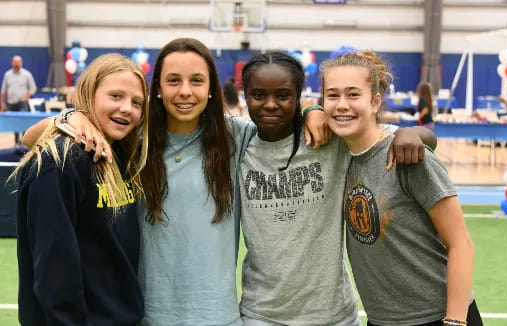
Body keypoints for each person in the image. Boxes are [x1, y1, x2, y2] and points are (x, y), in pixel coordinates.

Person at [21, 38, 328, 326]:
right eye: (173, 81)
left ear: (211, 89)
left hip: (219, 316)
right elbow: (29, 138)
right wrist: (72, 117)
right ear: (157, 89)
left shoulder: (236, 137)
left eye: (196, 80)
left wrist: (312, 110)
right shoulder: (134, 139)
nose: (185, 91)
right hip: (148, 315)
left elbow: (278, 108)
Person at [238, 51, 437, 325]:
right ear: (245, 95)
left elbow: (420, 137)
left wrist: (410, 133)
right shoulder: (239, 149)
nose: (270, 104)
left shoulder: (330, 139)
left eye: (283, 95)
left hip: (334, 316)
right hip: (261, 315)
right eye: (258, 95)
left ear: (299, 97)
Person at [321, 51, 482, 326]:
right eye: (332, 96)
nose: (342, 105)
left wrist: (455, 320)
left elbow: (461, 244)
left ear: (375, 102)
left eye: (353, 95)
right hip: (382, 320)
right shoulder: (336, 157)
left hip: (438, 317)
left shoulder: (409, 157)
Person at [10, 53, 149, 325]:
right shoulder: (59, 162)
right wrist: (70, 115)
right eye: (116, 96)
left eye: (136, 103)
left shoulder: (120, 155)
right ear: (89, 94)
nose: (127, 109)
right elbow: (54, 270)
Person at [1, 55, 37, 145]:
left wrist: (27, 96)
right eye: (15, 62)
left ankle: (24, 141)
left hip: (22, 103)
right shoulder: (7, 74)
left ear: (21, 63)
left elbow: (33, 88)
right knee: (14, 123)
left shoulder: (27, 74)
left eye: (19, 61)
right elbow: (3, 90)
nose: (17, 63)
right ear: (12, 63)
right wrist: (2, 103)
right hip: (11, 103)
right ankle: (17, 141)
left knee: (23, 122)